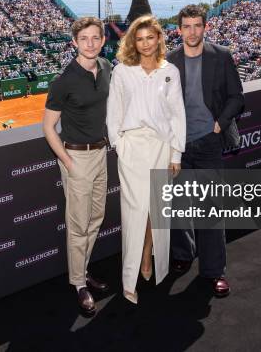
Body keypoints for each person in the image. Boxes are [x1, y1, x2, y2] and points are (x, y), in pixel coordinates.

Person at [107, 15, 186, 304]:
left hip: (162, 148)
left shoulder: (171, 72)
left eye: (150, 37)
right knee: (134, 213)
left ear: (159, 38)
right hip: (132, 149)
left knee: (156, 210)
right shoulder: (122, 72)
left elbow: (178, 115)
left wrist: (176, 153)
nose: (145, 43)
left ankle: (148, 257)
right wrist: (120, 145)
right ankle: (129, 280)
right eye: (139, 39)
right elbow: (113, 113)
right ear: (133, 42)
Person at [167, 4, 244, 297]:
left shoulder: (221, 56)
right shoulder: (169, 60)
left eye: (197, 25)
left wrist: (219, 124)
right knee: (177, 205)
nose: (192, 31)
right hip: (178, 145)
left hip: (209, 142)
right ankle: (183, 254)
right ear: (179, 29)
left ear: (205, 27)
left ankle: (214, 272)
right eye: (186, 26)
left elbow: (237, 97)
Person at [42, 17, 112, 317]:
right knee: (78, 225)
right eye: (84, 38)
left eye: (95, 38)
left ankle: (83, 271)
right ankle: (78, 284)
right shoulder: (64, 80)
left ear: (103, 40)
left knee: (96, 217)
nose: (91, 43)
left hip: (100, 153)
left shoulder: (108, 68)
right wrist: (68, 162)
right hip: (77, 159)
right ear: (74, 42)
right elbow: (47, 127)